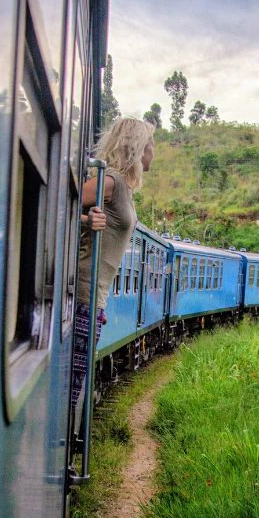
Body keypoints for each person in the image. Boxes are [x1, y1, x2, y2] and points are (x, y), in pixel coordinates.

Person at [70, 117, 155, 410]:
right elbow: (59, 199)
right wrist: (85, 219)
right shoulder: (112, 182)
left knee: (76, 379)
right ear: (137, 147)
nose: (153, 153)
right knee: (72, 383)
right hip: (84, 292)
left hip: (96, 295)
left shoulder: (123, 188)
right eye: (150, 146)